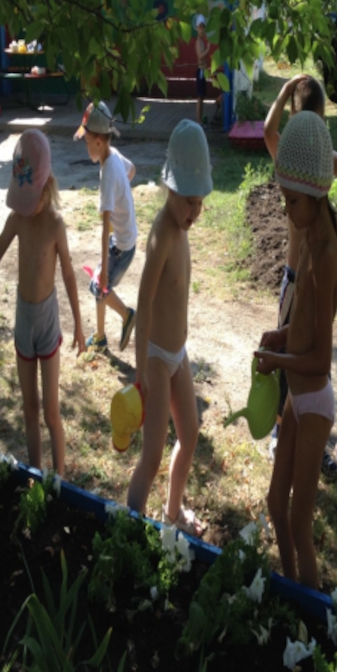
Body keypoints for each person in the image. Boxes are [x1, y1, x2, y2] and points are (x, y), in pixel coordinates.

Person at [255, 111, 337, 589]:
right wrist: (281, 336)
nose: (288, 211)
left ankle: (310, 609)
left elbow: (322, 360)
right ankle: (291, 590)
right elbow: (305, 327)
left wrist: (278, 360)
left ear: (315, 195)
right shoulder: (310, 238)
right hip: (296, 397)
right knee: (275, 504)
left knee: (299, 522)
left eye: (292, 201)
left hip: (314, 404)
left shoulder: (327, 255)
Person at [0, 129, 84, 474]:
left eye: (32, 199)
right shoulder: (17, 218)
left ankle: (59, 480)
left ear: (47, 186)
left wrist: (78, 324)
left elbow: (69, 275)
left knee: (50, 412)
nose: (28, 207)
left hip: (47, 321)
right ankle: (35, 475)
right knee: (29, 408)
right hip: (23, 319)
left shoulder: (55, 224)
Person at [263, 72, 337, 467]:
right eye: (306, 121)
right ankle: (280, 430)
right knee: (289, 356)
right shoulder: (289, 156)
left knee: (312, 356)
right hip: (295, 281)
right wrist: (284, 92)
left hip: (316, 280)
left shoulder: (319, 162)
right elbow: (268, 132)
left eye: (319, 122)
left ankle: (310, 440)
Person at [127, 120, 212, 538]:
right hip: (157, 359)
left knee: (190, 434)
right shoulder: (162, 232)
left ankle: (173, 512)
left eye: (200, 202)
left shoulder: (182, 226)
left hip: (178, 353)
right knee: (152, 454)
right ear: (169, 189)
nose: (195, 211)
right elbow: (143, 302)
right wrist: (141, 368)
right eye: (189, 201)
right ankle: (130, 527)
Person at [74, 101, 138, 353]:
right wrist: (122, 196)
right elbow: (133, 170)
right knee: (99, 279)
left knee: (98, 285)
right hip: (125, 239)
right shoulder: (115, 156)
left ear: (99, 141)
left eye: (87, 141)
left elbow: (104, 229)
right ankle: (100, 337)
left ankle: (127, 315)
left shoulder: (108, 173)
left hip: (121, 247)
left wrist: (102, 275)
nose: (86, 147)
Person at [194, 14, 210, 126]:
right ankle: (198, 121)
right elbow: (200, 56)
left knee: (202, 97)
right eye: (200, 27)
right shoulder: (198, 42)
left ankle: (200, 119)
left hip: (203, 71)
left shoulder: (202, 41)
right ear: (196, 28)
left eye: (203, 27)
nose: (202, 30)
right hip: (200, 71)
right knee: (199, 97)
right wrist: (208, 49)